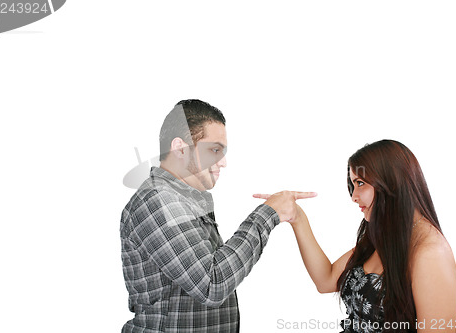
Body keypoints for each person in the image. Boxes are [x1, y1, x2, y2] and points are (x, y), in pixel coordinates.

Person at [120, 99, 316, 332]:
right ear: (180, 148)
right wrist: (268, 214)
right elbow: (212, 284)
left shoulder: (182, 200)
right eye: (214, 150)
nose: (222, 162)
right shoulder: (158, 202)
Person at [255, 139, 456, 333]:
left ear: (391, 182)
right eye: (353, 185)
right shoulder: (385, 236)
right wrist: (297, 218)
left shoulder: (431, 253)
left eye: (360, 183)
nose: (353, 196)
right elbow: (326, 280)